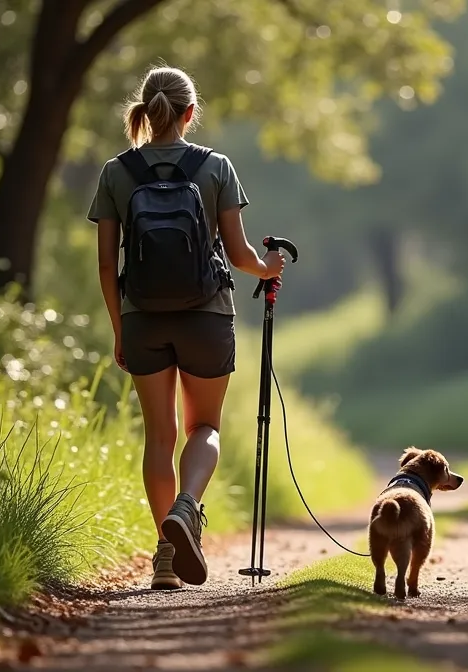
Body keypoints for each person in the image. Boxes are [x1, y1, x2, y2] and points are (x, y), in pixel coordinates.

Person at [87, 65, 285, 590]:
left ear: (144, 113)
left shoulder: (116, 172)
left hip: (142, 317)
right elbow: (240, 254)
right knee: (205, 428)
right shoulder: (215, 166)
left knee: (159, 435)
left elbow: (107, 266)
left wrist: (119, 328)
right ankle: (188, 507)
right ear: (190, 113)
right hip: (207, 315)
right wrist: (269, 269)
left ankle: (166, 561)